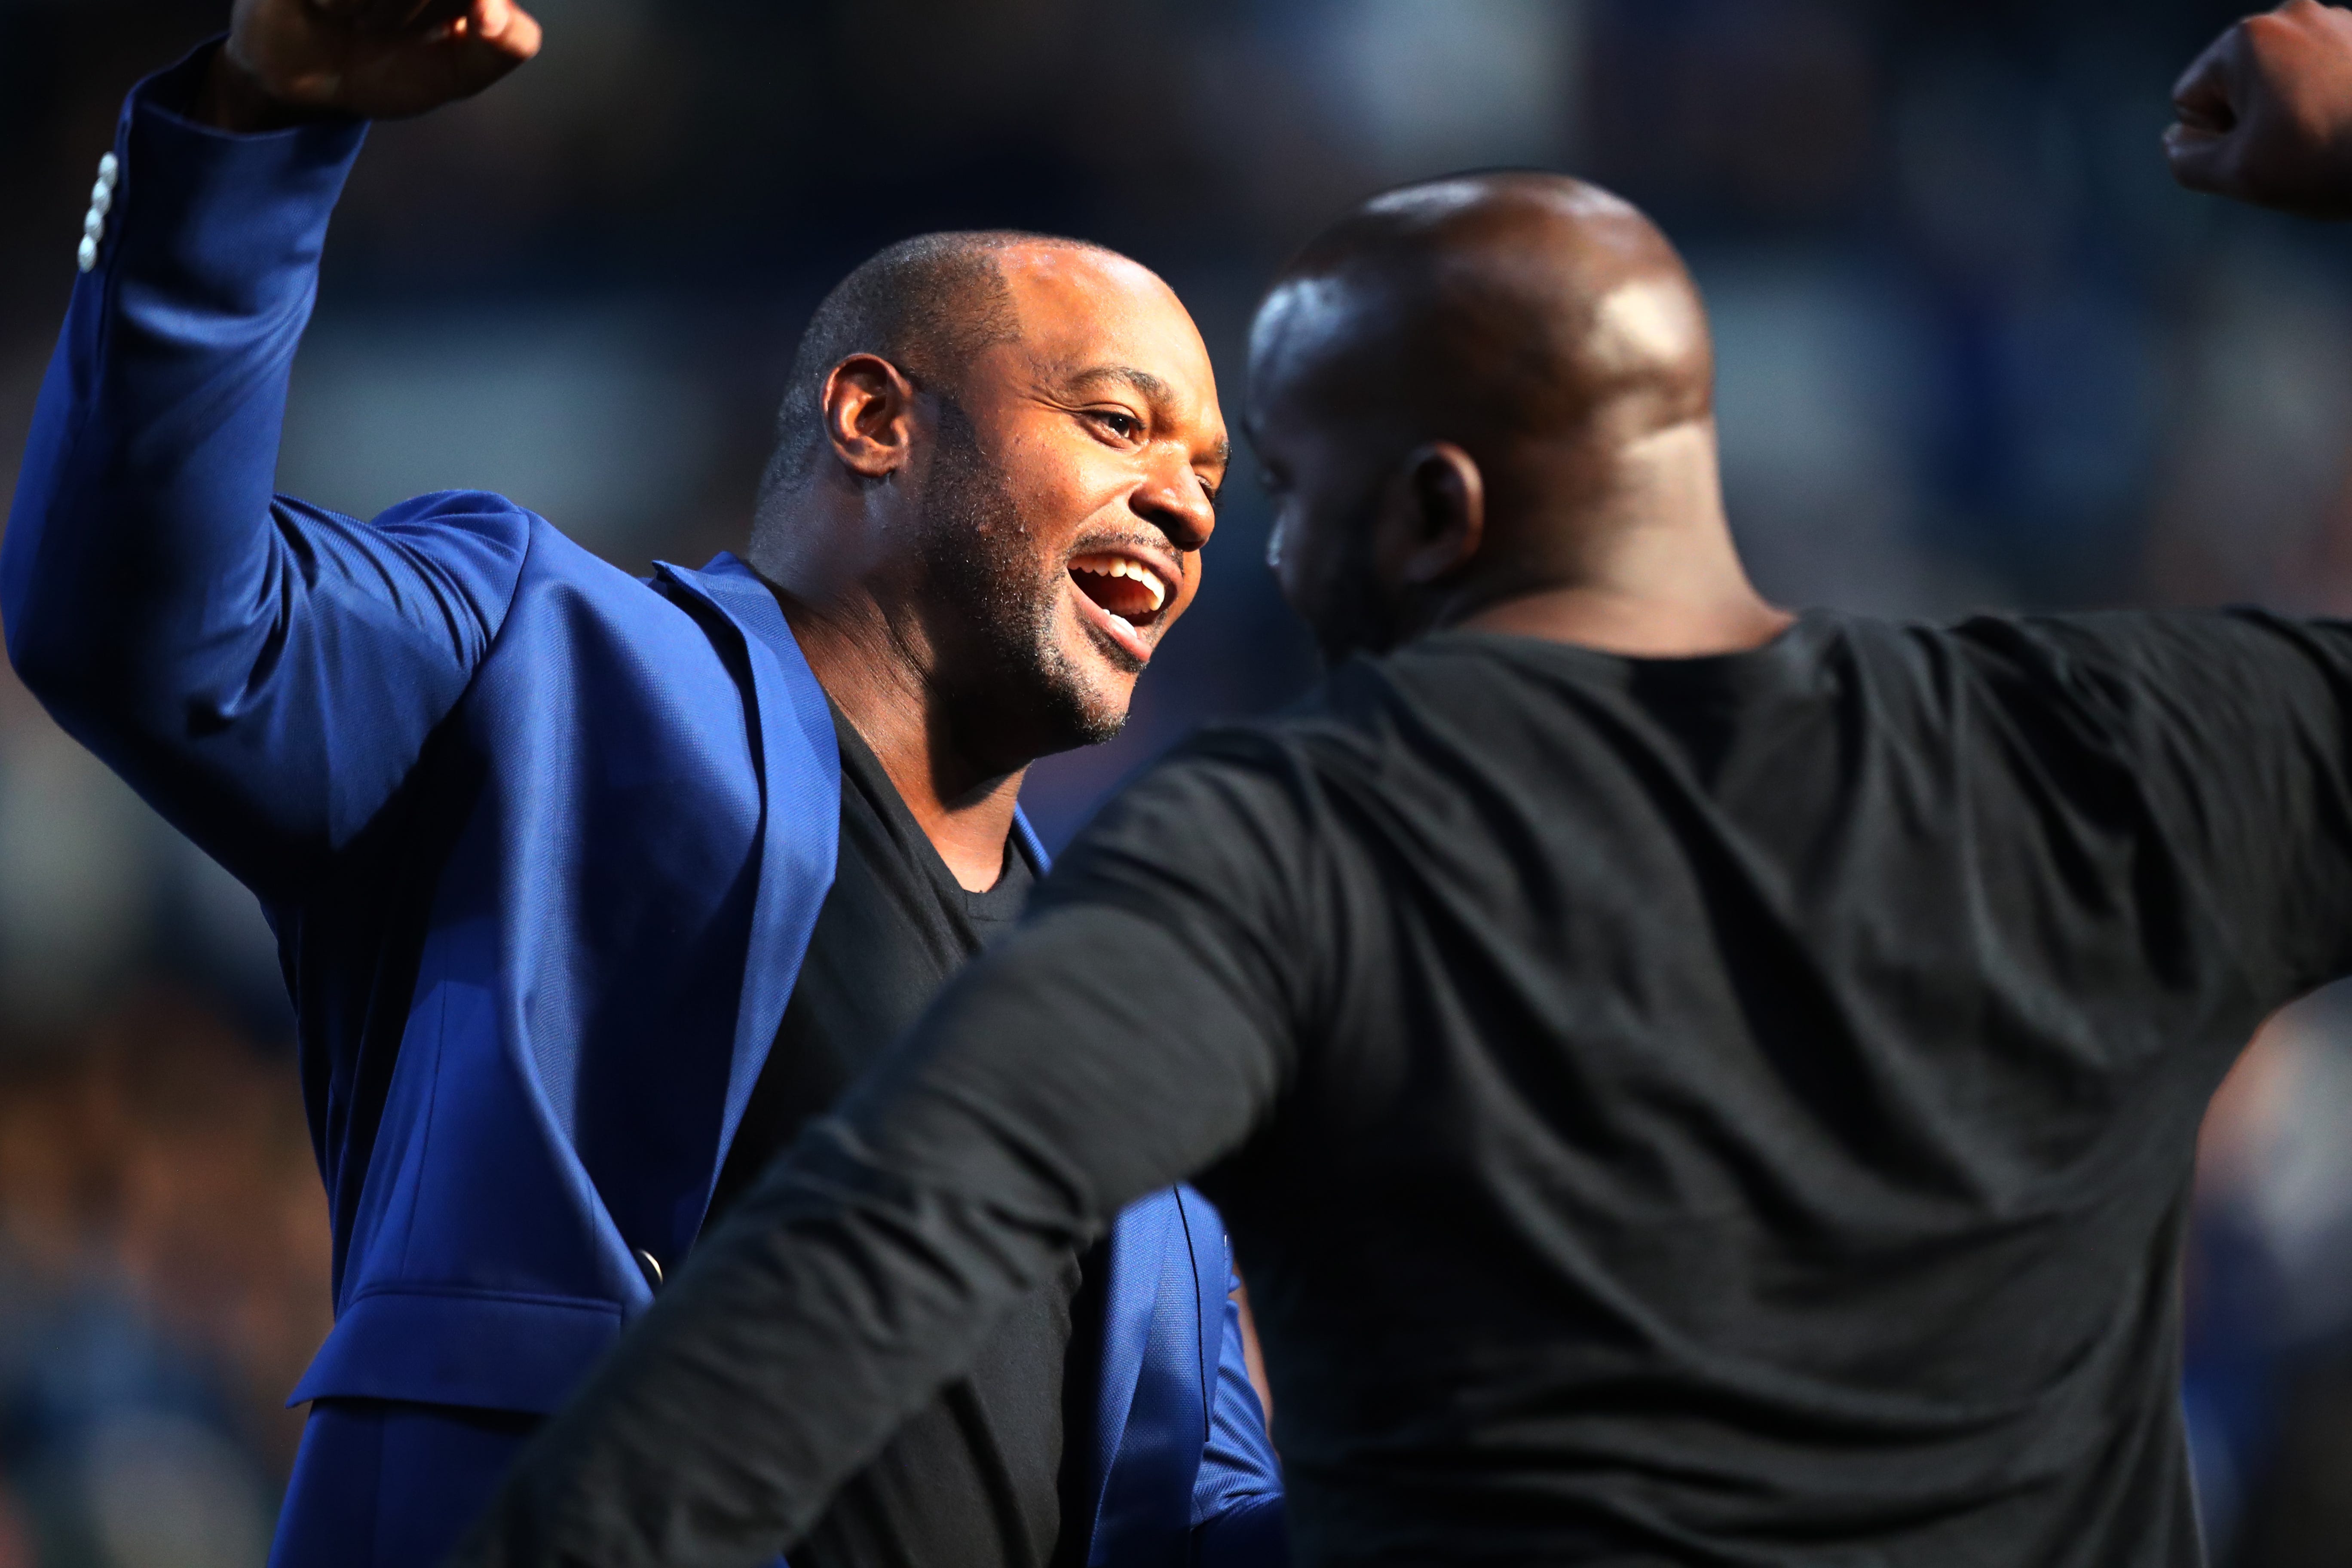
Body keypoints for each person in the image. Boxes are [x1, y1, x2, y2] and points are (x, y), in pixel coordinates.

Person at [444, 3, 2352, 1565]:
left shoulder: (1284, 854)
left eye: (1282, 482)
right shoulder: (2132, 750)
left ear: (1433, 512)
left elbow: (864, 1268)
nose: (1239, 558)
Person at [1, 2, 1285, 1565]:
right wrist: (252, 133)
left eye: (1213, 475)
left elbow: (1206, 1514)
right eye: (1118, 425)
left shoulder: (1140, 1011)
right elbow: (142, 625)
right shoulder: (533, 659)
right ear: (875, 420)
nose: (1188, 506)